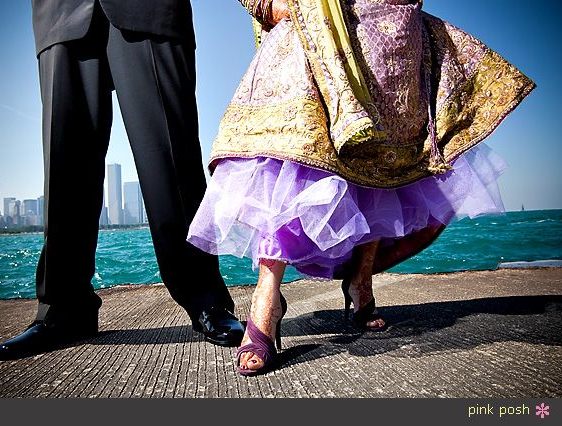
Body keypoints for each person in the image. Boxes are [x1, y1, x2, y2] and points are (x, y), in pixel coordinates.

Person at [187, 0, 535, 376]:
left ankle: (361, 281)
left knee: (380, 150)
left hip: (381, 17)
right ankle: (266, 299)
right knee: (292, 149)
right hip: (304, 18)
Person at [0, 0, 245, 361]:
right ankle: (62, 309)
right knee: (64, 167)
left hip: (148, 10)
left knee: (171, 157)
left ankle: (206, 299)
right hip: (60, 12)